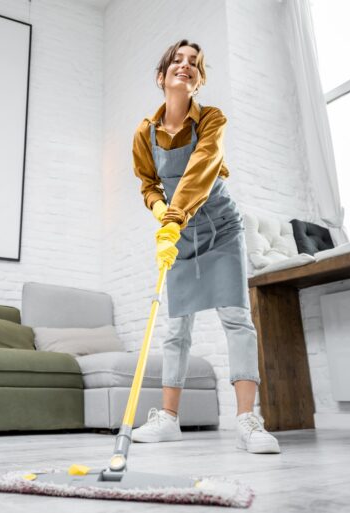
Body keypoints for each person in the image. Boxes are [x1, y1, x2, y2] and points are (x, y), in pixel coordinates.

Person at [130, 39, 280, 454]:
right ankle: (168, 420)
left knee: (236, 319)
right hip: (179, 236)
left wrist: (173, 217)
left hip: (221, 230)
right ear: (162, 76)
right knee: (176, 328)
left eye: (194, 63)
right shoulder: (144, 132)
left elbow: (201, 170)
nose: (186, 65)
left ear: (199, 80)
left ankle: (248, 420)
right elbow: (147, 184)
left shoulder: (211, 120)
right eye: (177, 60)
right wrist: (161, 212)